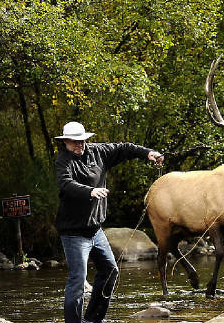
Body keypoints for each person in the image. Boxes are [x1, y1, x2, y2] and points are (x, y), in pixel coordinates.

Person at [54, 121, 164, 323]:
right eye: (74, 142)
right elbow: (65, 183)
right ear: (65, 142)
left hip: (96, 230)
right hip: (73, 233)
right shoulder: (63, 161)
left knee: (110, 270)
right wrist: (90, 191)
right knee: (78, 280)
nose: (79, 145)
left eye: (82, 140)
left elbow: (124, 148)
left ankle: (94, 319)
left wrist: (148, 153)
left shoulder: (98, 152)